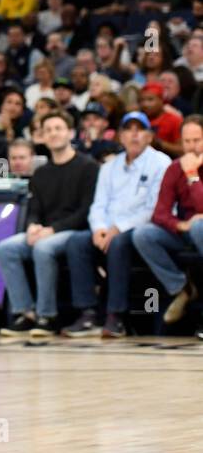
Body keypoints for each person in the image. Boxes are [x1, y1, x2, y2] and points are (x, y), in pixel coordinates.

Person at [63, 112, 171, 338]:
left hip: (140, 229)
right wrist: (98, 229)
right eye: (128, 129)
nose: (134, 135)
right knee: (76, 242)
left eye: (139, 129)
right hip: (107, 229)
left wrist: (117, 228)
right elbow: (98, 204)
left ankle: (116, 315)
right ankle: (88, 312)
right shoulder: (109, 167)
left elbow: (154, 209)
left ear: (149, 136)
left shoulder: (161, 162)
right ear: (120, 136)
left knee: (118, 243)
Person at [0, 111, 100, 337]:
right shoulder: (41, 173)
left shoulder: (88, 167)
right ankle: (25, 312)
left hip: (75, 231)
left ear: (70, 133)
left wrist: (51, 230)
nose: (53, 134)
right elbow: (35, 210)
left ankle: (47, 316)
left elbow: (87, 211)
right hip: (46, 231)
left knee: (43, 248)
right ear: (41, 136)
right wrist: (33, 226)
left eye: (58, 128)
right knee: (6, 248)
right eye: (48, 130)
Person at [132, 115, 203, 338]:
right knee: (143, 234)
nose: (192, 147)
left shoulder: (187, 169)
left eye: (197, 140)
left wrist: (192, 175)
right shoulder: (174, 168)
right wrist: (180, 225)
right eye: (187, 141)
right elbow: (160, 213)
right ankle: (182, 288)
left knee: (200, 226)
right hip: (186, 231)